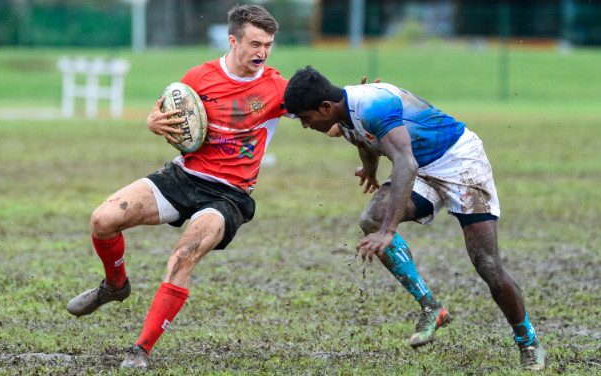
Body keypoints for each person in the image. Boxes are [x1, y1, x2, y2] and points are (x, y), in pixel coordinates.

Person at [66, 5, 288, 368]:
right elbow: (165, 115)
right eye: (254, 44)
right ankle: (115, 285)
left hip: (229, 195)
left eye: (268, 45)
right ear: (233, 41)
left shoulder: (277, 87)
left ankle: (140, 350)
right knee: (102, 219)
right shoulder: (199, 77)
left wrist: (356, 110)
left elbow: (324, 116)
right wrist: (154, 121)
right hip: (183, 177)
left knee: (183, 255)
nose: (262, 53)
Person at [283, 66, 546, 371]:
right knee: (371, 218)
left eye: (305, 118)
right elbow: (361, 139)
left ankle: (528, 341)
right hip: (422, 168)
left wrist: (389, 231)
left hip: (459, 162)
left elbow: (405, 163)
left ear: (325, 107)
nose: (305, 125)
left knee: (487, 263)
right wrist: (369, 169)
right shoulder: (342, 113)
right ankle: (432, 307)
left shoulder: (373, 107)